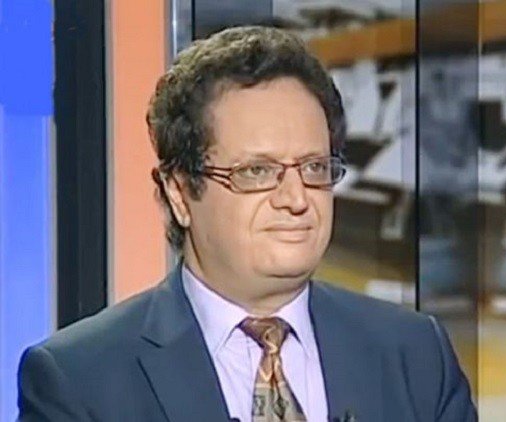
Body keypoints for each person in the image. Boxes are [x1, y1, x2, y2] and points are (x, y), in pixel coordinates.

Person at [17, 26, 476, 422]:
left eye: (314, 167)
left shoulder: (415, 356)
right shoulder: (80, 380)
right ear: (180, 193)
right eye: (257, 171)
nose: (297, 199)